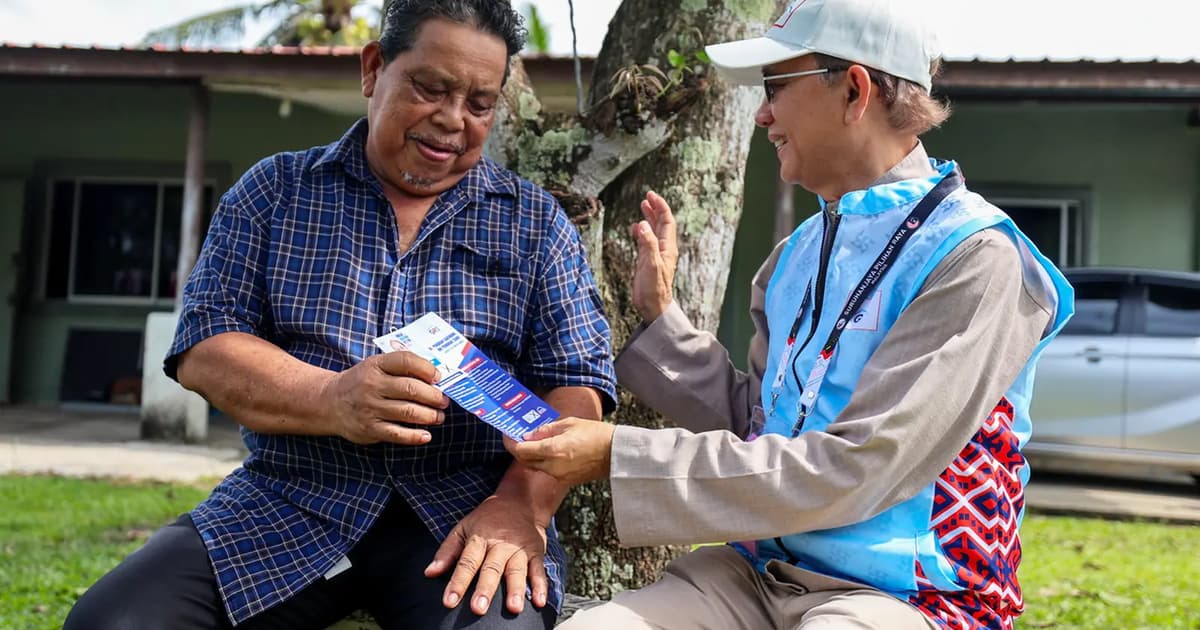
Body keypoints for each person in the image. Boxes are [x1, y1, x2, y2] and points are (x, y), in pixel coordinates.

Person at [507, 1, 1074, 629]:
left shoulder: (976, 259)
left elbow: (860, 467)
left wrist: (621, 454)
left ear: (854, 90)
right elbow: (764, 426)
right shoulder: (795, 257)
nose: (762, 113)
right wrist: (661, 320)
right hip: (752, 576)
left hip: (905, 596)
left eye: (776, 86)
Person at [64, 1, 615, 629]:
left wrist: (522, 506)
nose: (452, 120)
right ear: (374, 68)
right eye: (431, 88)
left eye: (480, 104)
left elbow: (577, 384)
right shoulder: (275, 192)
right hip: (286, 500)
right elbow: (206, 347)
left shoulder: (534, 222)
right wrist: (333, 398)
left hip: (465, 511)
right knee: (111, 623)